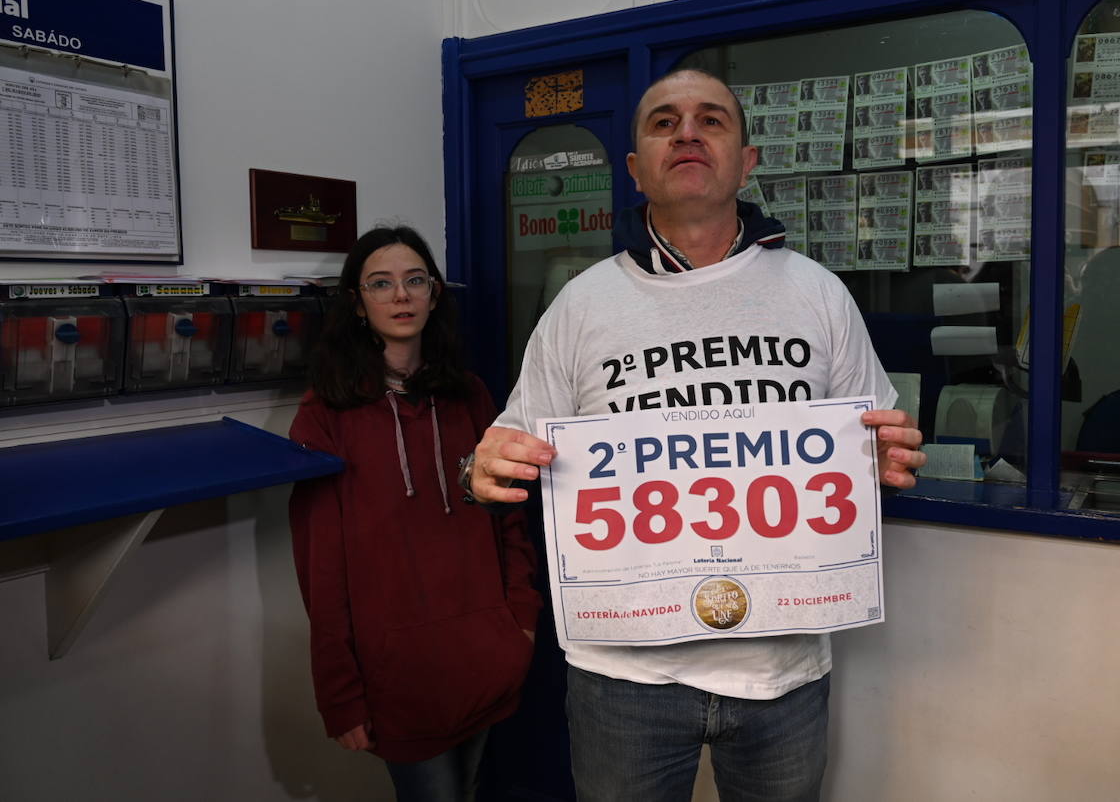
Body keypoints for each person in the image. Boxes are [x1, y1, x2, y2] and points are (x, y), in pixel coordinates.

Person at [462, 69, 926, 801]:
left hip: (782, 669)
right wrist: (480, 470)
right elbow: (508, 451)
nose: (686, 133)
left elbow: (873, 449)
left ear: (746, 161)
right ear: (635, 168)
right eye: (663, 122)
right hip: (623, 673)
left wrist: (887, 460)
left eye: (711, 120)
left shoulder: (818, 294)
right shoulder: (578, 307)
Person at [288, 226, 542, 802]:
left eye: (415, 280)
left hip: (486, 655)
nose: (401, 295)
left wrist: (520, 622)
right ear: (358, 303)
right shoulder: (323, 415)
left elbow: (508, 520)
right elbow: (319, 567)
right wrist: (339, 691)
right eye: (381, 284)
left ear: (434, 294)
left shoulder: (470, 395)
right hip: (396, 675)